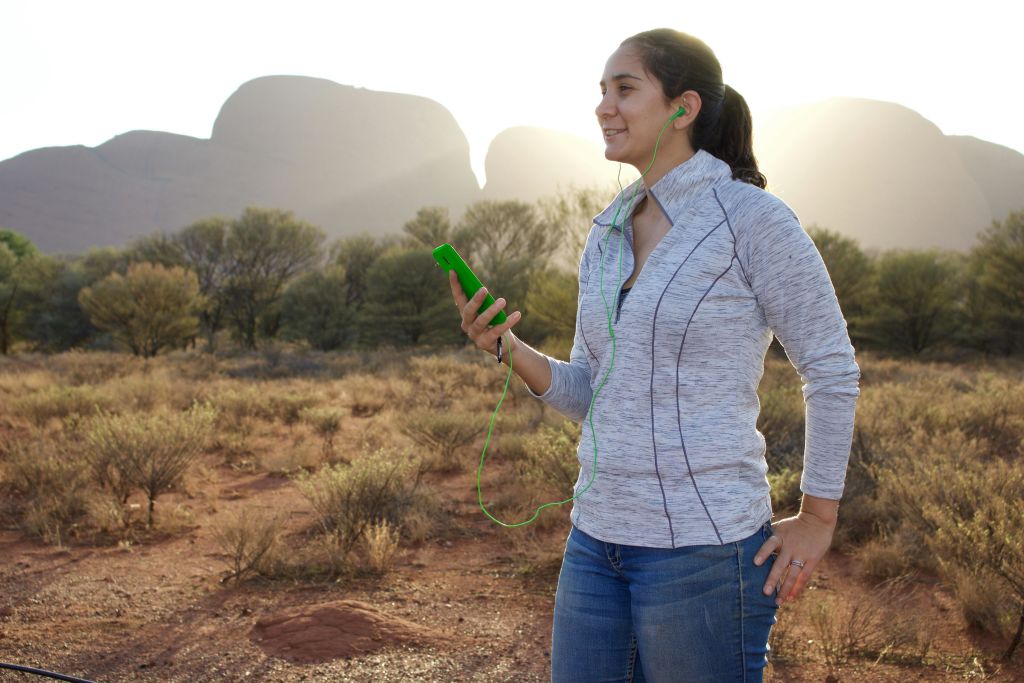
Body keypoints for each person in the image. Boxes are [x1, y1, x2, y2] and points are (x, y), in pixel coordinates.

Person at [448, 28, 860, 683]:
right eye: (601, 91)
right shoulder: (607, 229)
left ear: (682, 106)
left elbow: (832, 370)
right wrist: (508, 347)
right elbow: (591, 391)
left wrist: (819, 516)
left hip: (706, 550)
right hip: (595, 540)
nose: (604, 106)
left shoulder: (751, 219)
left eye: (625, 88)